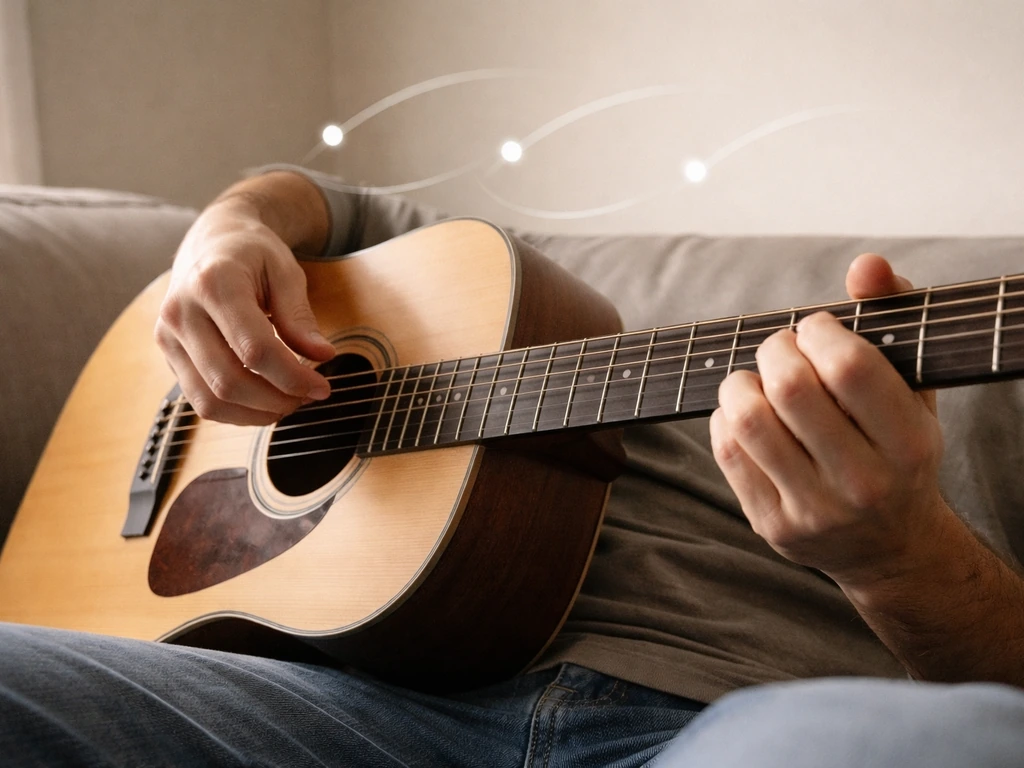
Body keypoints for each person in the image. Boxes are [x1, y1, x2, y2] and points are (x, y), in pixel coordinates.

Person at [0, 168, 1022, 767]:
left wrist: (896, 559)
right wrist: (220, 241)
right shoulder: (495, 276)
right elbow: (322, 207)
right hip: (349, 704)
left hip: (726, 723)